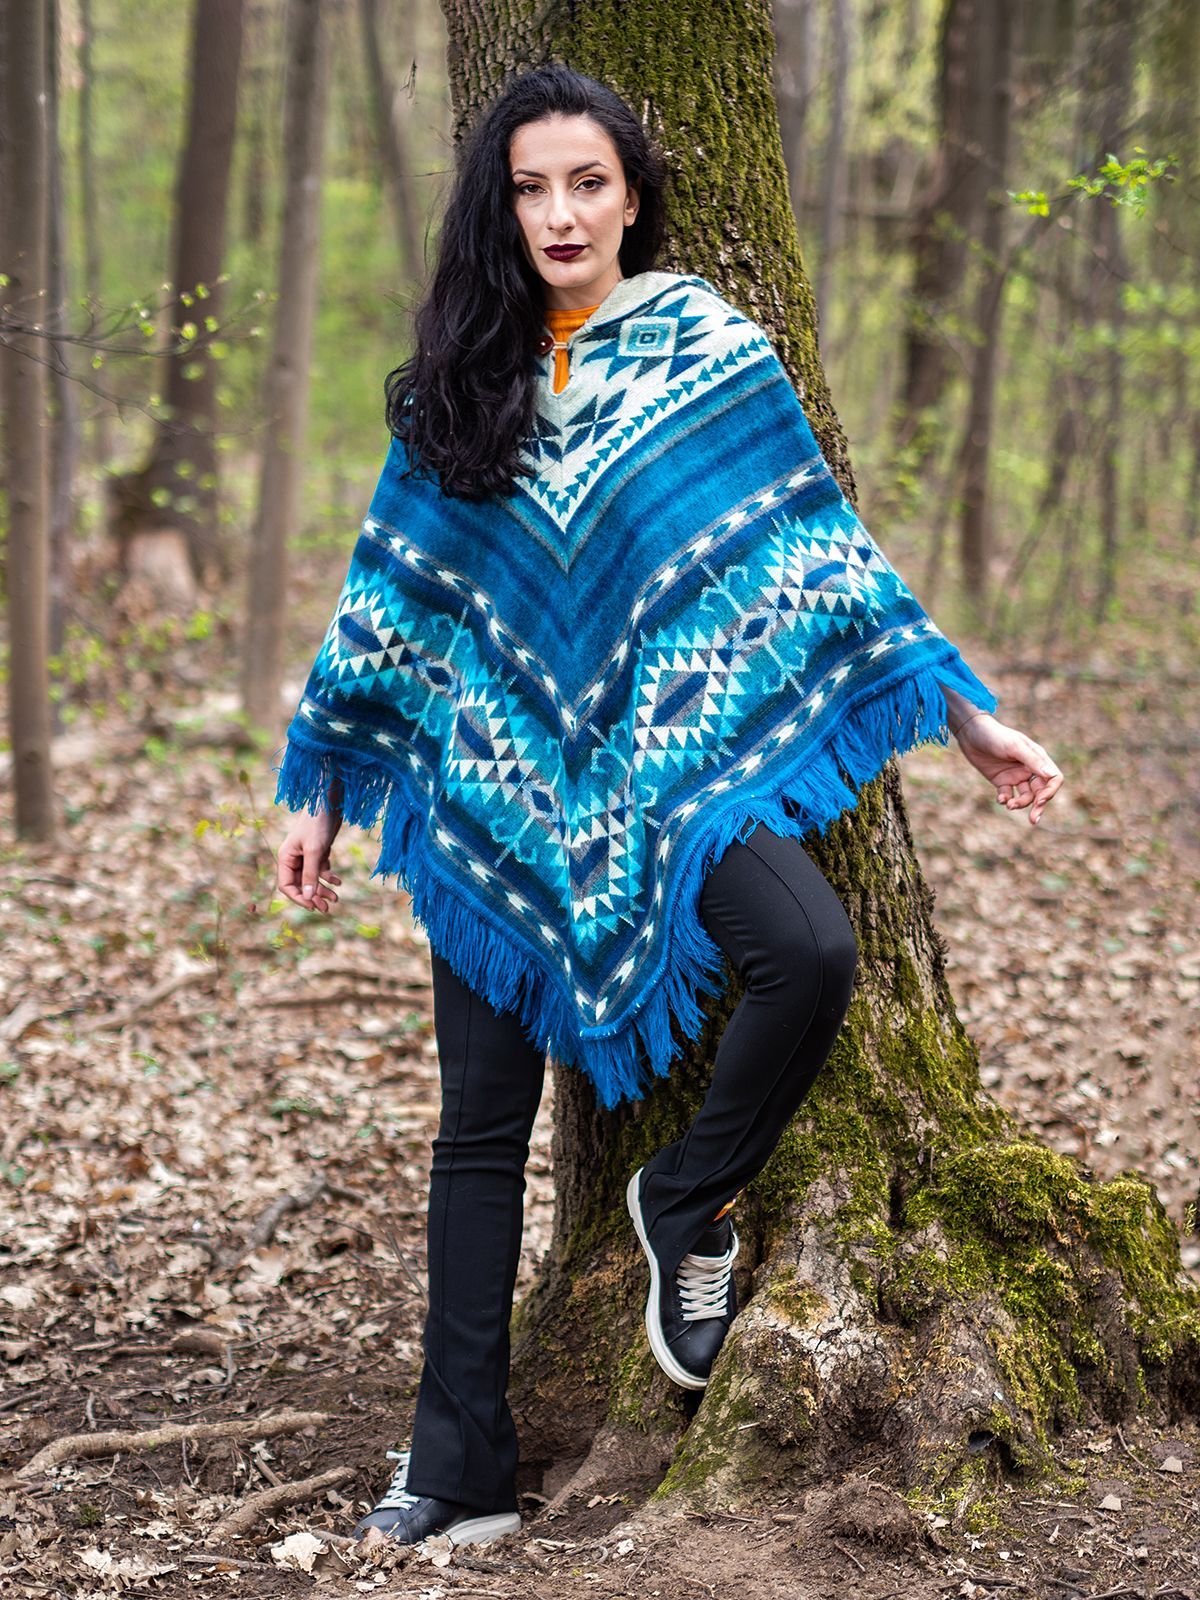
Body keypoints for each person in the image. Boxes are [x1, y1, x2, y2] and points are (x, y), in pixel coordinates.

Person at [273, 63, 1062, 1552]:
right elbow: (392, 593)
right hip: (496, 788)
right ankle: (456, 1469)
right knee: (478, 1135)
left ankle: (686, 1197)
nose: (560, 214)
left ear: (633, 194)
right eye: (530, 189)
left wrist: (967, 717)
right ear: (500, 208)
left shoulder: (708, 348)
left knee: (811, 951)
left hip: (673, 782)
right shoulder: (459, 380)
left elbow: (822, 553)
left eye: (586, 183)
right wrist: (320, 774)